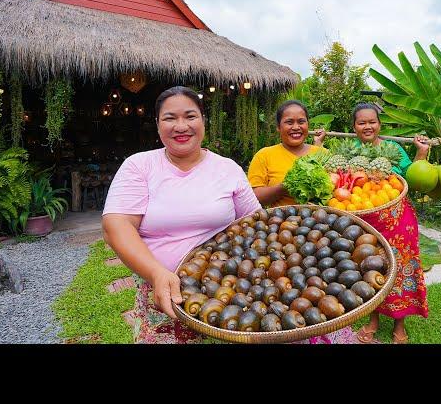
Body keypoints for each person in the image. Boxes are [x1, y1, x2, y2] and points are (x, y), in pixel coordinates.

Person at [102, 86, 261, 344]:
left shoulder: (227, 169)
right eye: (169, 118)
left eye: (190, 116)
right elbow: (115, 226)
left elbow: (256, 222)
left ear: (203, 121)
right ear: (157, 125)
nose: (181, 126)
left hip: (229, 295)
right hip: (165, 296)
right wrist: (157, 273)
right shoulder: (139, 166)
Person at [315, 102, 430, 344]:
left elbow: (413, 178)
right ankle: (374, 319)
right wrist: (318, 145)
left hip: (398, 218)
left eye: (372, 122)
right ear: (354, 127)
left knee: (401, 267)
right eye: (361, 122)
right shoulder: (348, 151)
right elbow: (333, 177)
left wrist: (421, 153)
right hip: (363, 220)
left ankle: (400, 321)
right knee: (369, 268)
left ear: (379, 124)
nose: (367, 126)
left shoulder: (394, 148)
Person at [247, 100, 354, 344]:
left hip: (321, 232)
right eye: (289, 122)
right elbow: (254, 195)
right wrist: (286, 185)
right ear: (278, 127)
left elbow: (337, 191)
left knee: (324, 287)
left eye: (301, 121)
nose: (296, 127)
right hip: (280, 234)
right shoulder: (265, 155)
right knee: (288, 288)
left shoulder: (323, 155)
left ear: (308, 125)